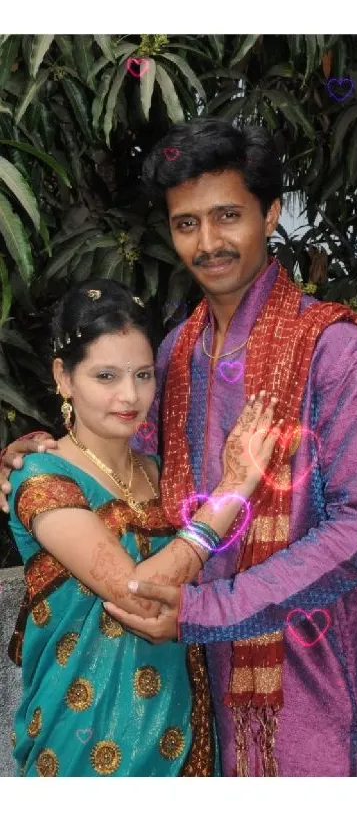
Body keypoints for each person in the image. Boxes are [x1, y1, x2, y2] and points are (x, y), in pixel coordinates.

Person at [1, 118, 357, 777]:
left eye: (226, 216)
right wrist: (40, 450)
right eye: (186, 223)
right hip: (189, 698)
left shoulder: (336, 351)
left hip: (310, 685)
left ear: (270, 213)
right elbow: (126, 470)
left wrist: (208, 610)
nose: (207, 242)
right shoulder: (175, 355)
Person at [1, 277, 282, 777]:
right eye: (105, 376)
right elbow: (137, 595)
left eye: (143, 374)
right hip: (81, 739)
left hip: (186, 725)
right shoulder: (39, 475)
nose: (129, 395)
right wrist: (231, 491)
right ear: (63, 378)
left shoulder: (162, 470)